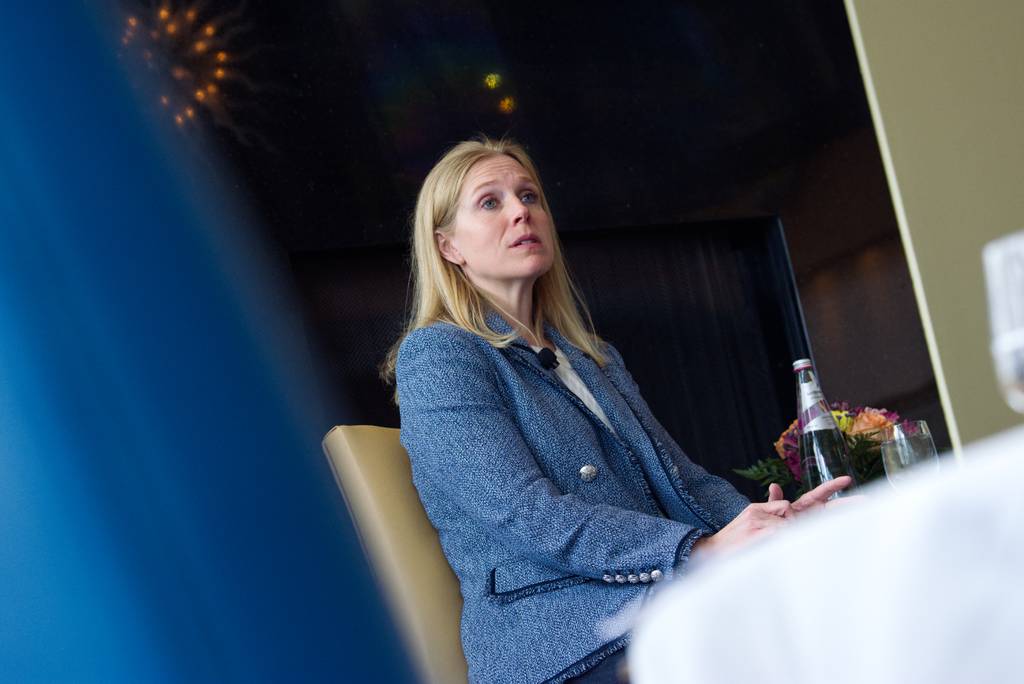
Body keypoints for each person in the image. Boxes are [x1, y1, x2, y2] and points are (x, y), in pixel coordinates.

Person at [382, 136, 849, 684]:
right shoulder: (439, 355)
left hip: (662, 600)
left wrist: (771, 525)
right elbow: (525, 515)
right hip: (563, 637)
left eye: (529, 196)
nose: (520, 212)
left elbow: (687, 483)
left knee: (839, 602)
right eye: (491, 202)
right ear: (448, 247)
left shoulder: (593, 357)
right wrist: (698, 550)